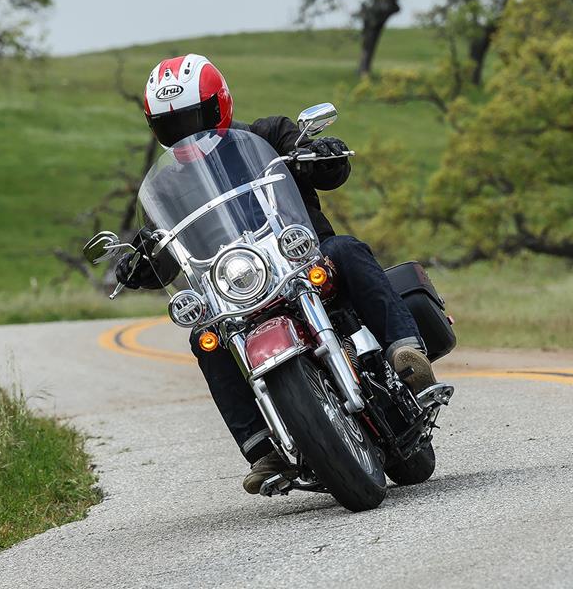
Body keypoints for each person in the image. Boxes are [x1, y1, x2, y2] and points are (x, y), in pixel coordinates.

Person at [115, 54, 436, 494]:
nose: (187, 132)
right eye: (173, 125)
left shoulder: (269, 133)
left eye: (195, 117)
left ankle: (405, 351)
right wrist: (140, 262)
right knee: (205, 337)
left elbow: (334, 170)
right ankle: (262, 448)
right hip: (236, 289)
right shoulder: (169, 185)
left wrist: (322, 153)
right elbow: (163, 250)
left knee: (346, 248)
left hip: (304, 258)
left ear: (219, 105)